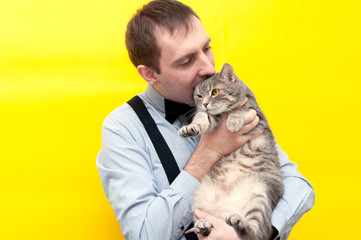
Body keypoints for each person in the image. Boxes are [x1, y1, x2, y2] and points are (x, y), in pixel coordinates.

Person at [96, 0, 315, 239]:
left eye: (207, 48)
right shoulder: (123, 127)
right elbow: (144, 233)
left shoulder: (232, 98)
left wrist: (257, 233)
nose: (208, 68)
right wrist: (208, 152)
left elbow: (298, 185)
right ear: (150, 74)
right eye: (187, 61)